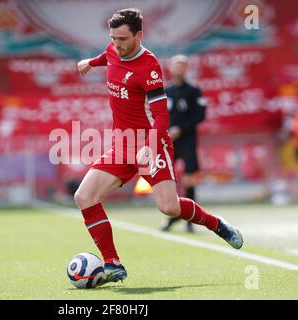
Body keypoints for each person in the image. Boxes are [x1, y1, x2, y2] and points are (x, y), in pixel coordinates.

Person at [76, 8, 243, 285]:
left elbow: (163, 116)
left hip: (152, 144)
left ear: (139, 35)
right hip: (122, 144)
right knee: (84, 197)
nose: (117, 44)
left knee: (168, 207)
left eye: (123, 39)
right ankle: (113, 263)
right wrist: (91, 63)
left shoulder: (149, 66)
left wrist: (150, 146)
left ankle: (217, 225)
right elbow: (108, 56)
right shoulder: (113, 49)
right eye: (113, 38)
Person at [160, 54, 206, 233]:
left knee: (189, 179)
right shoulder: (166, 91)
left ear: (186, 69)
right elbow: (158, 115)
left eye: (182, 66)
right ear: (171, 69)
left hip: (187, 141)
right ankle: (172, 215)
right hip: (169, 141)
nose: (178, 70)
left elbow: (200, 115)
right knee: (167, 179)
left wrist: (180, 129)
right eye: (175, 66)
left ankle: (190, 219)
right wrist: (166, 131)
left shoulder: (194, 90)